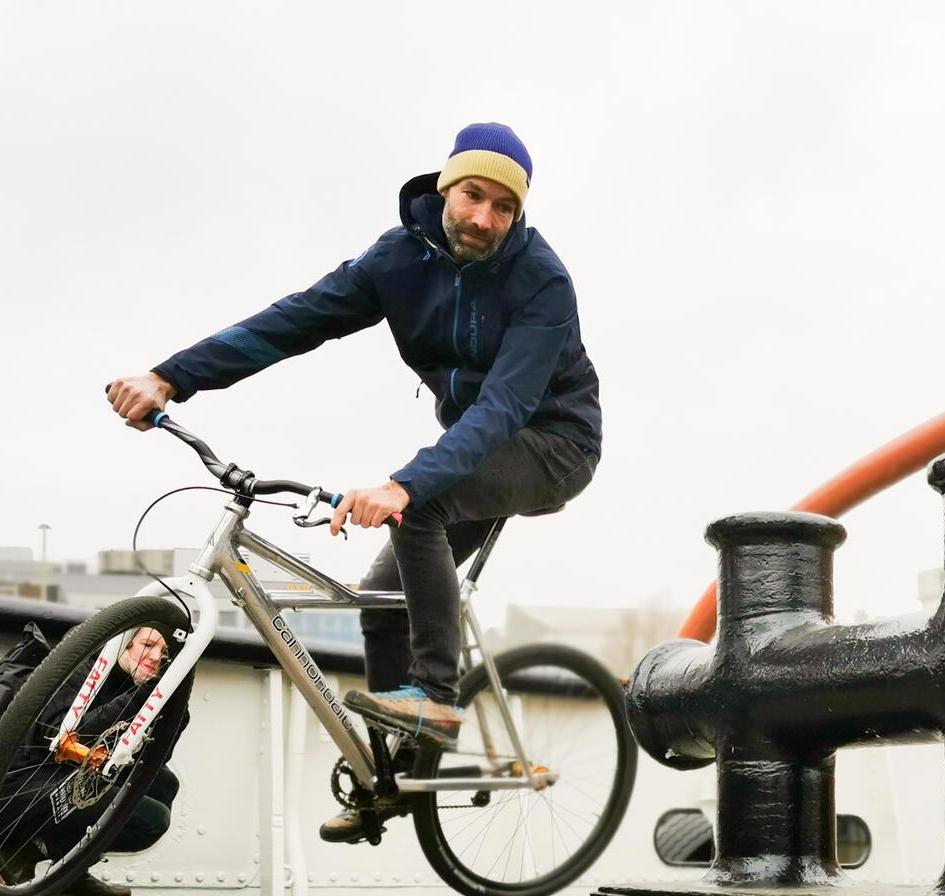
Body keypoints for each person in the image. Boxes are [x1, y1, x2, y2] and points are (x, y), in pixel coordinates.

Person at [105, 122, 601, 844]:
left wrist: (404, 485)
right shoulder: (398, 259)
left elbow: (503, 409)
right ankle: (390, 783)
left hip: (555, 444)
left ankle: (434, 695)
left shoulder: (543, 283)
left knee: (419, 510)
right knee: (379, 601)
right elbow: (294, 321)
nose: (484, 219)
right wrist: (172, 376)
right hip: (470, 450)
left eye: (504, 207)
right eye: (473, 196)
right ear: (445, 187)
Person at [0, 626, 182, 896]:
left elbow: (153, 761)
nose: (156, 657)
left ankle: (69, 871)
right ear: (125, 644)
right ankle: (26, 849)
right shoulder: (83, 672)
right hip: (26, 787)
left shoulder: (129, 683)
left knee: (165, 784)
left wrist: (175, 711)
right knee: (153, 821)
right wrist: (141, 698)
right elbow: (62, 740)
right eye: (148, 645)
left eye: (163, 652)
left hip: (65, 779)